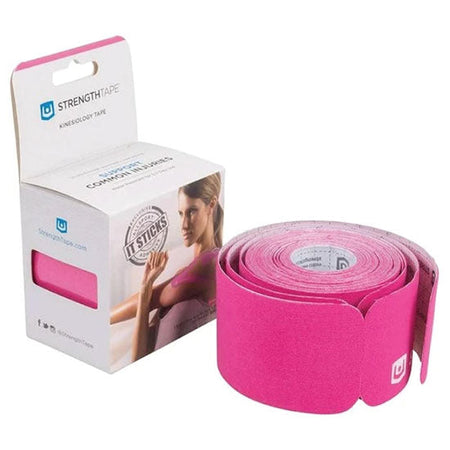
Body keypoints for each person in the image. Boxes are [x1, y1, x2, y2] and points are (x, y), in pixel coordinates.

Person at [110, 173, 223, 361]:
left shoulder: (210, 263)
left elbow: (153, 297)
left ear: (211, 204)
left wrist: (102, 317)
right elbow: (139, 358)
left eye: (192, 211)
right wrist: (145, 287)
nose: (184, 225)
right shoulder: (186, 272)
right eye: (181, 214)